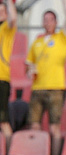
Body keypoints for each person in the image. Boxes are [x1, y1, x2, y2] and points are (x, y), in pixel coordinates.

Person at [25, 0, 66, 155]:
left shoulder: (61, 37)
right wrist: (30, 70)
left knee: (55, 127)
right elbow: (28, 63)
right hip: (37, 88)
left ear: (55, 22)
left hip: (55, 87)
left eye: (50, 20)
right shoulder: (37, 42)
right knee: (34, 125)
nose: (47, 23)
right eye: (45, 20)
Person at [0, 0, 17, 147]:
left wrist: (9, 2)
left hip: (1, 78)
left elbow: (13, 18)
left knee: (3, 120)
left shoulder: (7, 28)